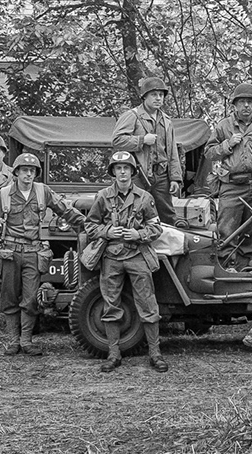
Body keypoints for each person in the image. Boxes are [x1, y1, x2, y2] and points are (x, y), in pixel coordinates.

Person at [0, 153, 82, 355]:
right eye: (24, 170)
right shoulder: (4, 194)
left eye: (32, 171)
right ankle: (13, 341)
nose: (28, 174)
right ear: (16, 172)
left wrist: (87, 223)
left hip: (33, 252)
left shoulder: (42, 191)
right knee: (9, 297)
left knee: (30, 298)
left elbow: (64, 209)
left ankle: (26, 341)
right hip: (10, 252)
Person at [90, 151, 166, 372]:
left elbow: (156, 227)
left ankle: (155, 354)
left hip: (137, 255)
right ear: (113, 172)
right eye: (118, 168)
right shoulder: (103, 196)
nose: (122, 172)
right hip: (111, 257)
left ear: (132, 172)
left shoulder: (145, 197)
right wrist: (107, 231)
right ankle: (113, 354)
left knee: (148, 304)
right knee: (111, 305)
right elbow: (90, 226)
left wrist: (138, 234)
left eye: (126, 168)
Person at [207, 82, 252, 266]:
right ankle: (226, 268)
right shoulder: (224, 126)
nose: (246, 106)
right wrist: (227, 144)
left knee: (251, 231)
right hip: (231, 186)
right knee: (226, 230)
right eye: (242, 102)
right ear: (235, 105)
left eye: (250, 102)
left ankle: (245, 268)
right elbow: (209, 153)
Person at [112, 76, 181, 223]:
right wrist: (142, 140)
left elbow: (172, 151)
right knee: (135, 214)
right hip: (139, 175)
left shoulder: (166, 120)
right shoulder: (132, 116)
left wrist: (175, 178)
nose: (158, 98)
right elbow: (117, 141)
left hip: (162, 175)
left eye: (161, 95)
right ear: (144, 96)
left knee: (167, 216)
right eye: (154, 94)